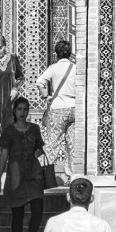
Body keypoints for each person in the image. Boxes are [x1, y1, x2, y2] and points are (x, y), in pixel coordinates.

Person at [0, 97, 45, 232]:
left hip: (34, 175)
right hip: (16, 177)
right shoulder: (9, 131)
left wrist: (38, 151)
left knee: (38, 210)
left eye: (25, 109)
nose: (23, 112)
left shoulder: (34, 128)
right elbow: (3, 156)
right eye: (20, 109)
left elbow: (40, 147)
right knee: (18, 214)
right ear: (14, 111)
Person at [36, 40, 77, 180]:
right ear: (70, 53)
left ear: (56, 54)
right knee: (72, 144)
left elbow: (40, 81)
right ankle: (72, 176)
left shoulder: (53, 68)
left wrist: (45, 96)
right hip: (74, 108)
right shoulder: (75, 68)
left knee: (53, 143)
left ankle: (41, 173)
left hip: (58, 108)